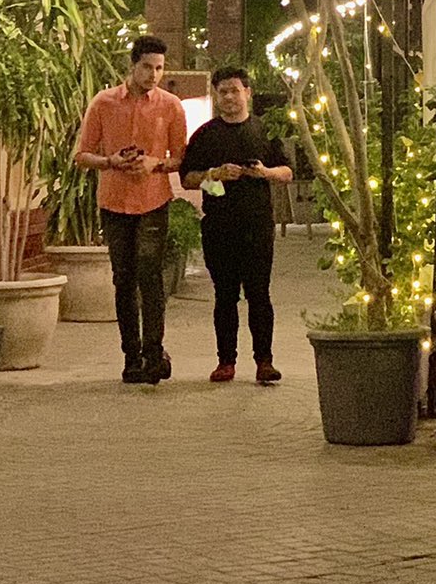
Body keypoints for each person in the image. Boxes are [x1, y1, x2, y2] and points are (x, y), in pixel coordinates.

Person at [75, 35, 188, 385]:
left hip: (153, 200)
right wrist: (110, 161)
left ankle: (154, 353)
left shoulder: (171, 106)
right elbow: (82, 155)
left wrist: (155, 163)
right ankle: (131, 357)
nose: (153, 75)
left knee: (150, 276)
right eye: (147, 67)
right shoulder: (104, 102)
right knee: (123, 279)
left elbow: (181, 158)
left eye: (159, 68)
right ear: (133, 65)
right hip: (114, 202)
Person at [180, 66, 292, 385]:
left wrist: (265, 172)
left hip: (257, 225)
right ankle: (225, 361)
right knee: (225, 295)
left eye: (235, 90)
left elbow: (287, 172)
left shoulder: (263, 130)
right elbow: (187, 179)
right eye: (223, 91)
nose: (229, 97)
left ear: (248, 93)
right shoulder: (205, 135)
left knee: (259, 294)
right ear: (216, 95)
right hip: (219, 226)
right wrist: (214, 174)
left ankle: (264, 361)